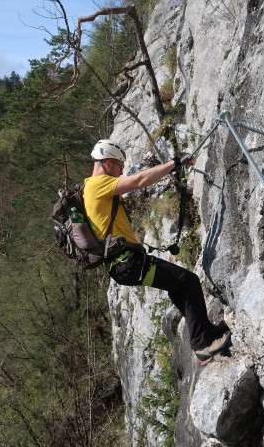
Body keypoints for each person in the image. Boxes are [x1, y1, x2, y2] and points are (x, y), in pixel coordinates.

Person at [84, 139, 231, 364]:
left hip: (124, 264)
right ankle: (202, 344)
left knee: (177, 285)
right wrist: (174, 163)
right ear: (108, 163)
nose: (120, 172)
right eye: (119, 167)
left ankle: (206, 332)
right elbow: (140, 180)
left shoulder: (90, 188)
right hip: (128, 263)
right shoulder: (97, 184)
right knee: (188, 281)